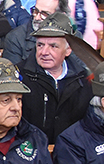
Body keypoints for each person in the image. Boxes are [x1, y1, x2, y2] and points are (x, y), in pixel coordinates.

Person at [16, 12, 92, 144]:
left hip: (72, 153)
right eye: (40, 45)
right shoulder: (18, 76)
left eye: (53, 46)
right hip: (29, 151)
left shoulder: (84, 80)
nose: (44, 52)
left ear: (68, 50)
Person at [3, 0, 67, 66]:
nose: (37, 17)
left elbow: (80, 70)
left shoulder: (72, 38)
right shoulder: (15, 38)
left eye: (44, 14)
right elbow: (13, 74)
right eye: (35, 11)